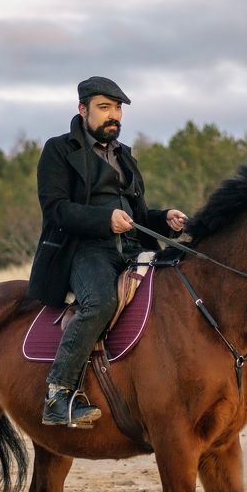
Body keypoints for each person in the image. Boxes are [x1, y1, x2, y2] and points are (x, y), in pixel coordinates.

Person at [27, 76, 187, 427]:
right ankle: (57, 395)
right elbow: (55, 209)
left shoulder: (124, 155)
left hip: (132, 248)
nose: (113, 115)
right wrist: (104, 220)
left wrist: (165, 219)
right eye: (104, 107)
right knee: (100, 302)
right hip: (84, 249)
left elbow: (139, 215)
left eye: (117, 109)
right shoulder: (58, 150)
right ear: (82, 109)